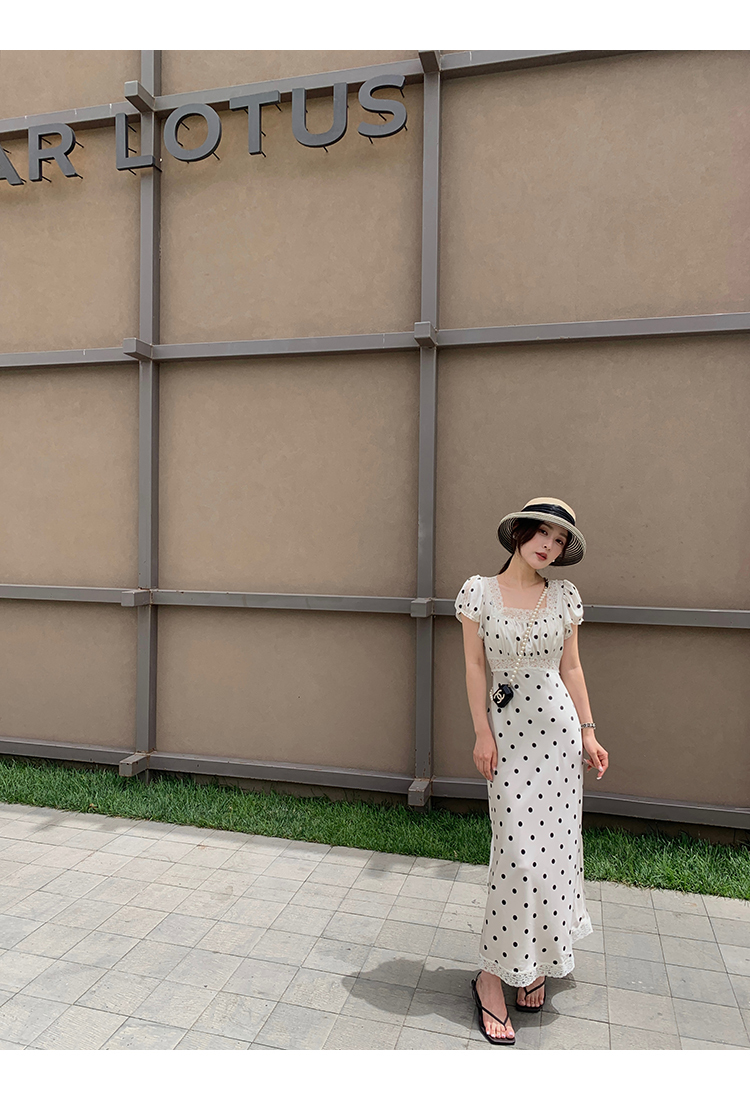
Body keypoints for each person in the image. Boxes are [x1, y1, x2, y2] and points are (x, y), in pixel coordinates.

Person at [455, 497, 609, 1045]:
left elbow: (572, 667)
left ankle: (535, 960)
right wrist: (482, 732)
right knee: (517, 857)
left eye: (559, 539)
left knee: (553, 855)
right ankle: (491, 977)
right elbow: (474, 665)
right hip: (508, 738)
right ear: (519, 533)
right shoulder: (478, 592)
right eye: (541, 532)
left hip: (558, 737)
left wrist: (588, 731)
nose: (548, 544)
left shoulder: (564, 596)